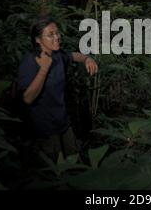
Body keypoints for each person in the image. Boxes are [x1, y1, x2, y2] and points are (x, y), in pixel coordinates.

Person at [18, 15, 98, 162]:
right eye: (50, 35)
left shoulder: (57, 55)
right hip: (44, 129)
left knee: (75, 164)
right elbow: (27, 98)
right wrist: (44, 69)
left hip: (63, 123)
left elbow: (72, 56)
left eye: (57, 33)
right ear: (38, 40)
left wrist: (87, 58)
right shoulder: (30, 61)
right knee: (55, 172)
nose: (56, 37)